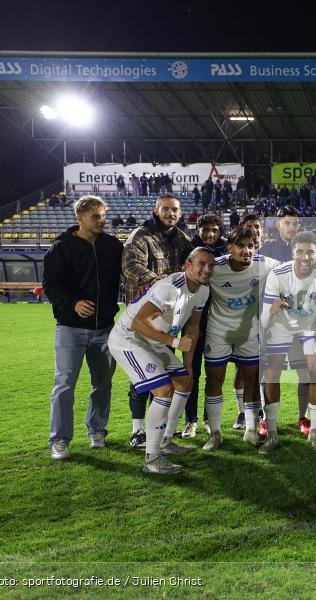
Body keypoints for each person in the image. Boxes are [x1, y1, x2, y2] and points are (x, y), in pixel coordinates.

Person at [108, 247, 214, 473]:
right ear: (188, 265)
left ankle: (165, 441)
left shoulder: (203, 291)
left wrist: (187, 366)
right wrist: (174, 343)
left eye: (211, 265)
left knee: (184, 382)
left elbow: (193, 327)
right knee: (163, 390)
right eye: (201, 264)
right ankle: (152, 459)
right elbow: (138, 322)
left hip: (153, 340)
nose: (206, 269)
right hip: (129, 338)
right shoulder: (170, 288)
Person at [43, 195, 123, 460]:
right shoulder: (62, 247)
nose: (102, 221)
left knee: (103, 384)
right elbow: (50, 286)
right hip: (70, 328)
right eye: (95, 217)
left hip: (105, 328)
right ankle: (59, 440)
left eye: (103, 215)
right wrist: (73, 303)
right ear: (80, 219)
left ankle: (97, 431)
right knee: (64, 385)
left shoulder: (113, 246)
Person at [121, 194, 193, 450]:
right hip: (143, 317)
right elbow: (131, 266)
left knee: (163, 377)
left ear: (180, 213)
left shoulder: (182, 238)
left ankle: (157, 433)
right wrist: (160, 284)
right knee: (142, 377)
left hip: (168, 320)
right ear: (156, 210)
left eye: (175, 210)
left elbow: (196, 263)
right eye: (166, 209)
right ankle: (137, 431)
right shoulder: (141, 235)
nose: (170, 214)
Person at [261, 232, 316, 451]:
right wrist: (271, 311)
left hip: (310, 327)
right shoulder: (278, 274)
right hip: (281, 326)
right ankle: (272, 433)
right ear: (292, 252)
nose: (305, 257)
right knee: (272, 372)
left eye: (310, 252)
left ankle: (314, 431)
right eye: (300, 251)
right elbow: (265, 319)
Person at [204, 226, 280, 452]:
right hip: (218, 331)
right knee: (214, 380)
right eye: (241, 246)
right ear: (230, 248)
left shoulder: (264, 263)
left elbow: (291, 268)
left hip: (249, 332)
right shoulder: (215, 267)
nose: (246, 250)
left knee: (251, 379)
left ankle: (250, 429)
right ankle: (215, 432)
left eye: (251, 246)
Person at [181, 213, 228, 438]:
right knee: (192, 371)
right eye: (206, 229)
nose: (210, 234)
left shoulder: (227, 253)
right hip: (191, 321)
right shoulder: (188, 250)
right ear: (197, 230)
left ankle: (210, 418)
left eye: (215, 230)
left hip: (217, 322)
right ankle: (191, 420)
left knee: (214, 372)